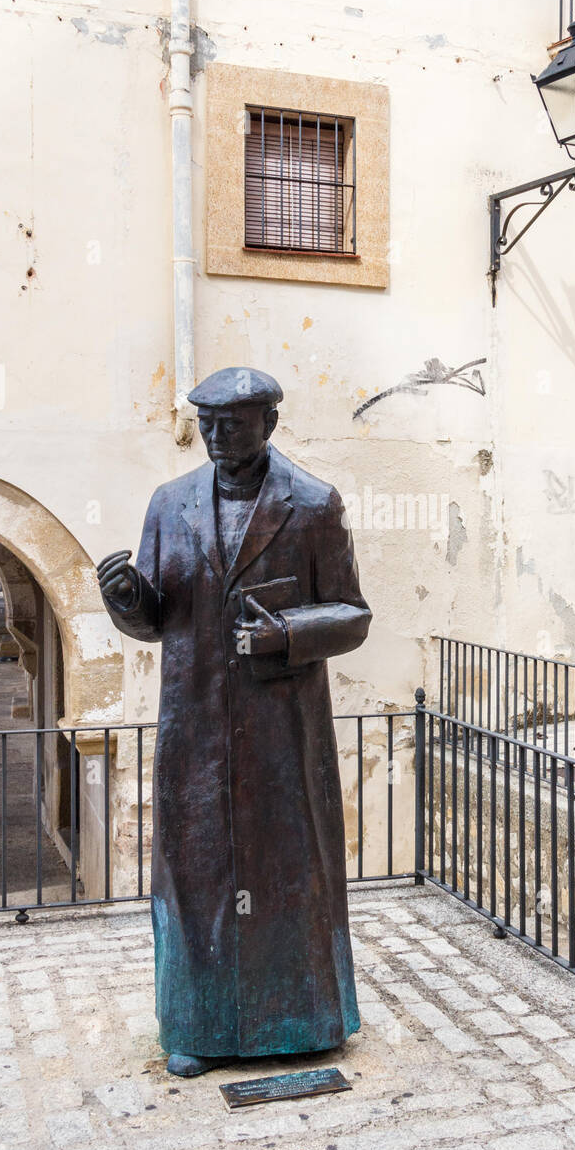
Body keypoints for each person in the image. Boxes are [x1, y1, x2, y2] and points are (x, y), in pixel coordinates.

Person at [98, 367, 371, 1077]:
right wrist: (127, 598)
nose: (218, 436)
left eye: (235, 423)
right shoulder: (170, 503)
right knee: (196, 877)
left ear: (270, 424)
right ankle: (198, 1025)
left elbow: (352, 614)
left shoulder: (311, 504)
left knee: (293, 872)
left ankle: (307, 1020)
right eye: (208, 423)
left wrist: (283, 634)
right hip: (194, 732)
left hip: (284, 730)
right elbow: (154, 618)